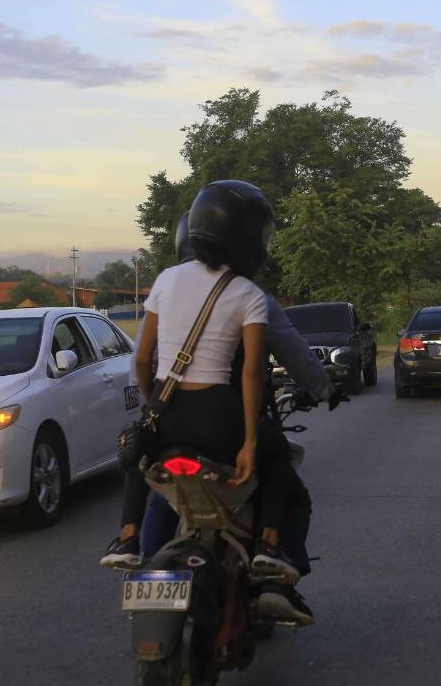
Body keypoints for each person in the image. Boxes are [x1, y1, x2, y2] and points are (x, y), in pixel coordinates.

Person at [101, 180, 300, 579]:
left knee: (140, 449)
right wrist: (248, 441)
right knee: (278, 459)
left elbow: (141, 359)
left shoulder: (165, 280)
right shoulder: (248, 294)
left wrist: (153, 405)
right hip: (219, 417)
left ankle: (127, 539)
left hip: (168, 408)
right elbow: (250, 373)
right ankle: (269, 548)